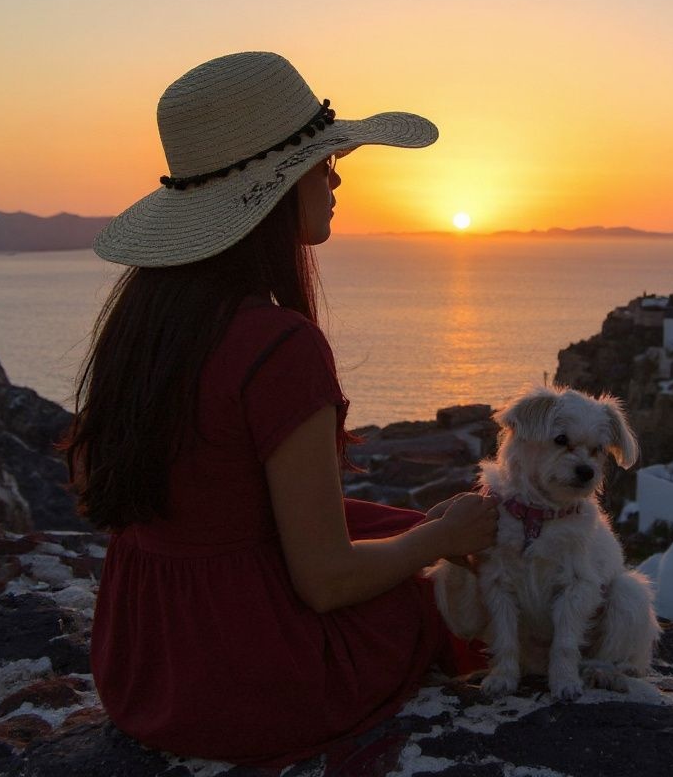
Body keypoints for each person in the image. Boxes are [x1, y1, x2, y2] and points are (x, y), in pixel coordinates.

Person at [70, 51, 498, 768]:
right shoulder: (277, 345)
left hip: (142, 663)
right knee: (439, 572)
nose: (336, 177)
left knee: (392, 523)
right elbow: (327, 583)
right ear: (272, 191)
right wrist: (438, 541)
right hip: (251, 681)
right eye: (321, 163)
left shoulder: (143, 327)